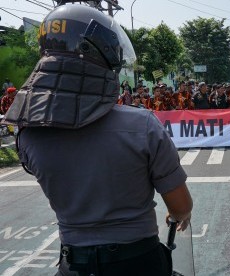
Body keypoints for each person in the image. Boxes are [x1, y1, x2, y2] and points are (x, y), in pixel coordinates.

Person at [2, 5, 193, 276]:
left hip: (73, 264)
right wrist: (177, 216)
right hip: (139, 262)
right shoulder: (143, 125)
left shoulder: (27, 134)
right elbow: (181, 207)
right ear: (103, 56)